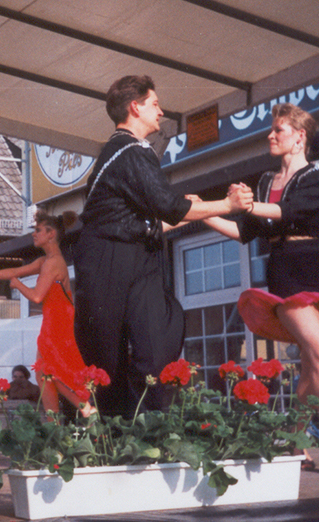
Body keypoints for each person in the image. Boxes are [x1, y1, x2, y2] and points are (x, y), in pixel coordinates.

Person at [201, 102, 319, 475]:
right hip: (285, 270)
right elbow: (244, 232)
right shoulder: (266, 181)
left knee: (314, 366)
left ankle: (295, 441)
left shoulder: (317, 173)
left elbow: (290, 211)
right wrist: (205, 211)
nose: (270, 135)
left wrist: (246, 205)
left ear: (299, 137)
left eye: (277, 130)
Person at [73, 75, 253, 417]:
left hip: (121, 257)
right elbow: (168, 207)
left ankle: (138, 420)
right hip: (112, 260)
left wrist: (198, 210)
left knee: (148, 338)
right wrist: (227, 205)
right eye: (154, 104)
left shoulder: (120, 152)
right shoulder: (131, 150)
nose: (161, 111)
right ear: (135, 107)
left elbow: (149, 221)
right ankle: (130, 424)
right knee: (119, 354)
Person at [0, 211, 93, 415]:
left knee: (53, 372)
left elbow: (37, 296)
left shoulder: (53, 263)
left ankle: (87, 410)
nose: (34, 234)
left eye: (38, 230)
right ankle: (55, 423)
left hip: (59, 323)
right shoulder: (45, 261)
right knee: (42, 373)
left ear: (51, 234)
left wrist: (18, 285)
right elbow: (14, 272)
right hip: (53, 321)